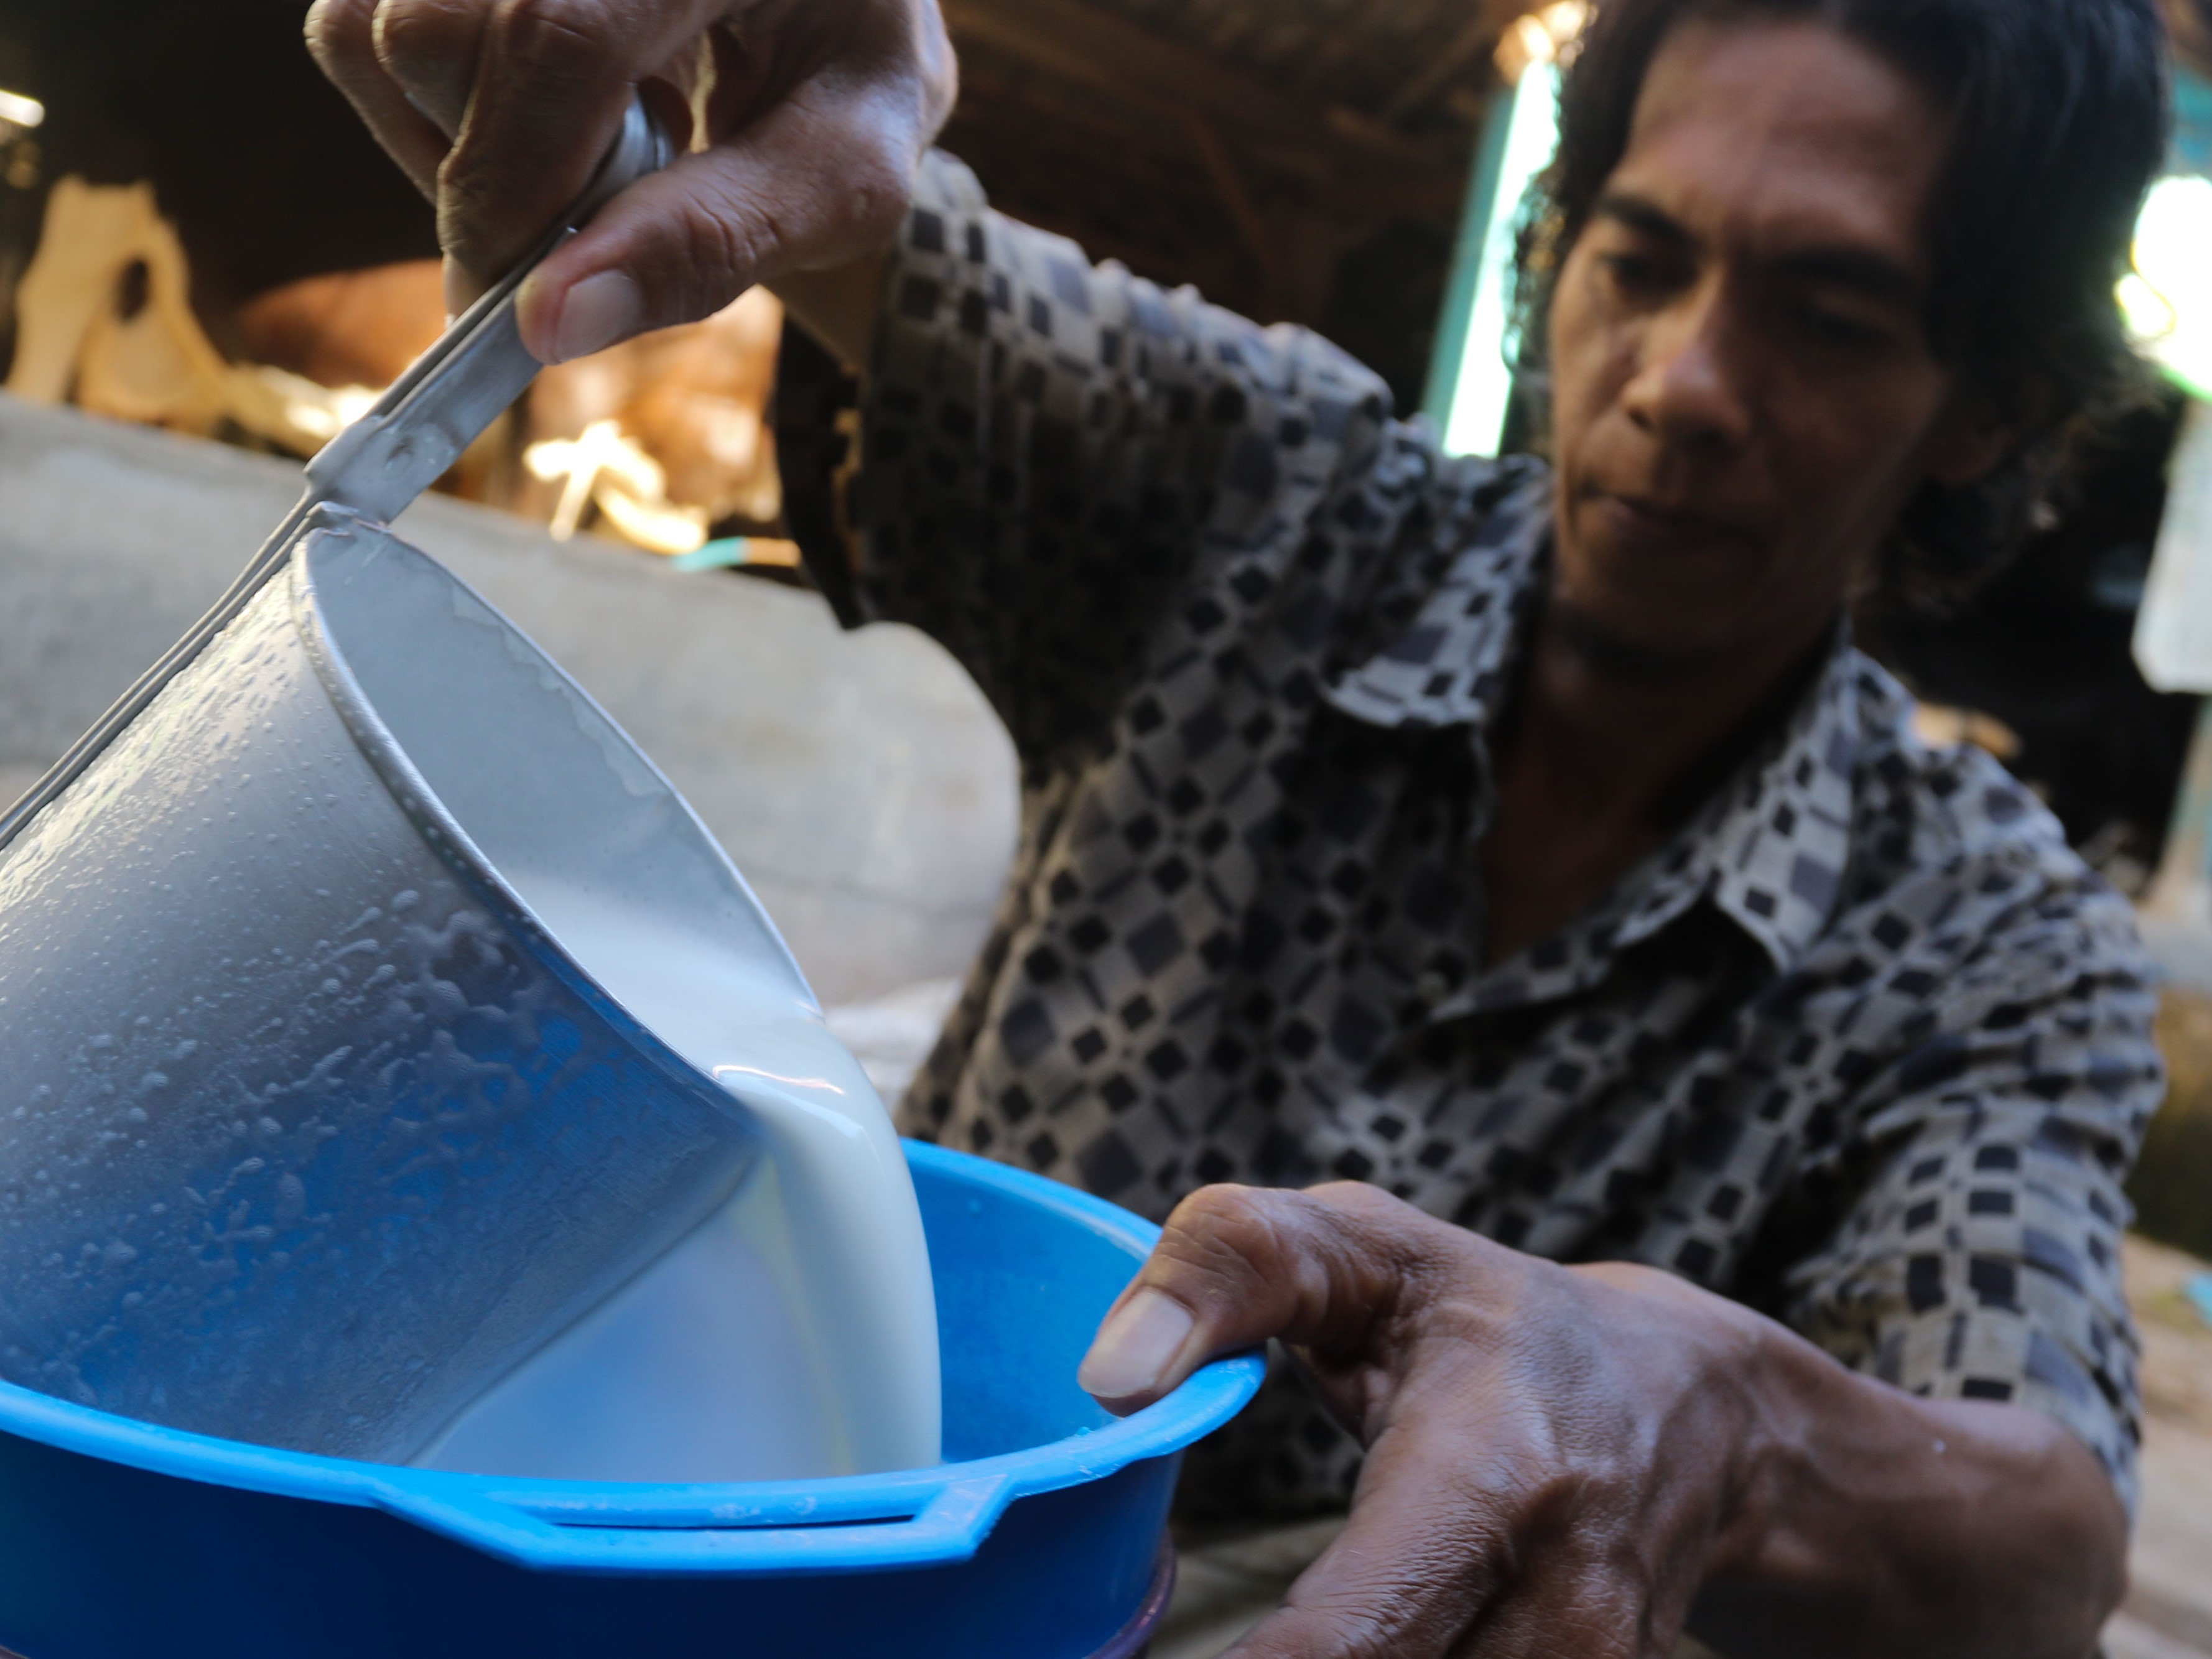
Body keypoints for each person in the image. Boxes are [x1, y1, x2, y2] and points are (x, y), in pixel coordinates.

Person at [307, 0, 2170, 1651]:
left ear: (1985, 409)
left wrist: (1723, 1420)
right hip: (860, 1553)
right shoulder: (1267, 504)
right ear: (1557, 256)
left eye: (1827, 317)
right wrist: (753, 125)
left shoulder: (1985, 939)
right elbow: (889, 254)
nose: (1680, 381)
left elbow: (2038, 1535)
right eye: (1640, 258)